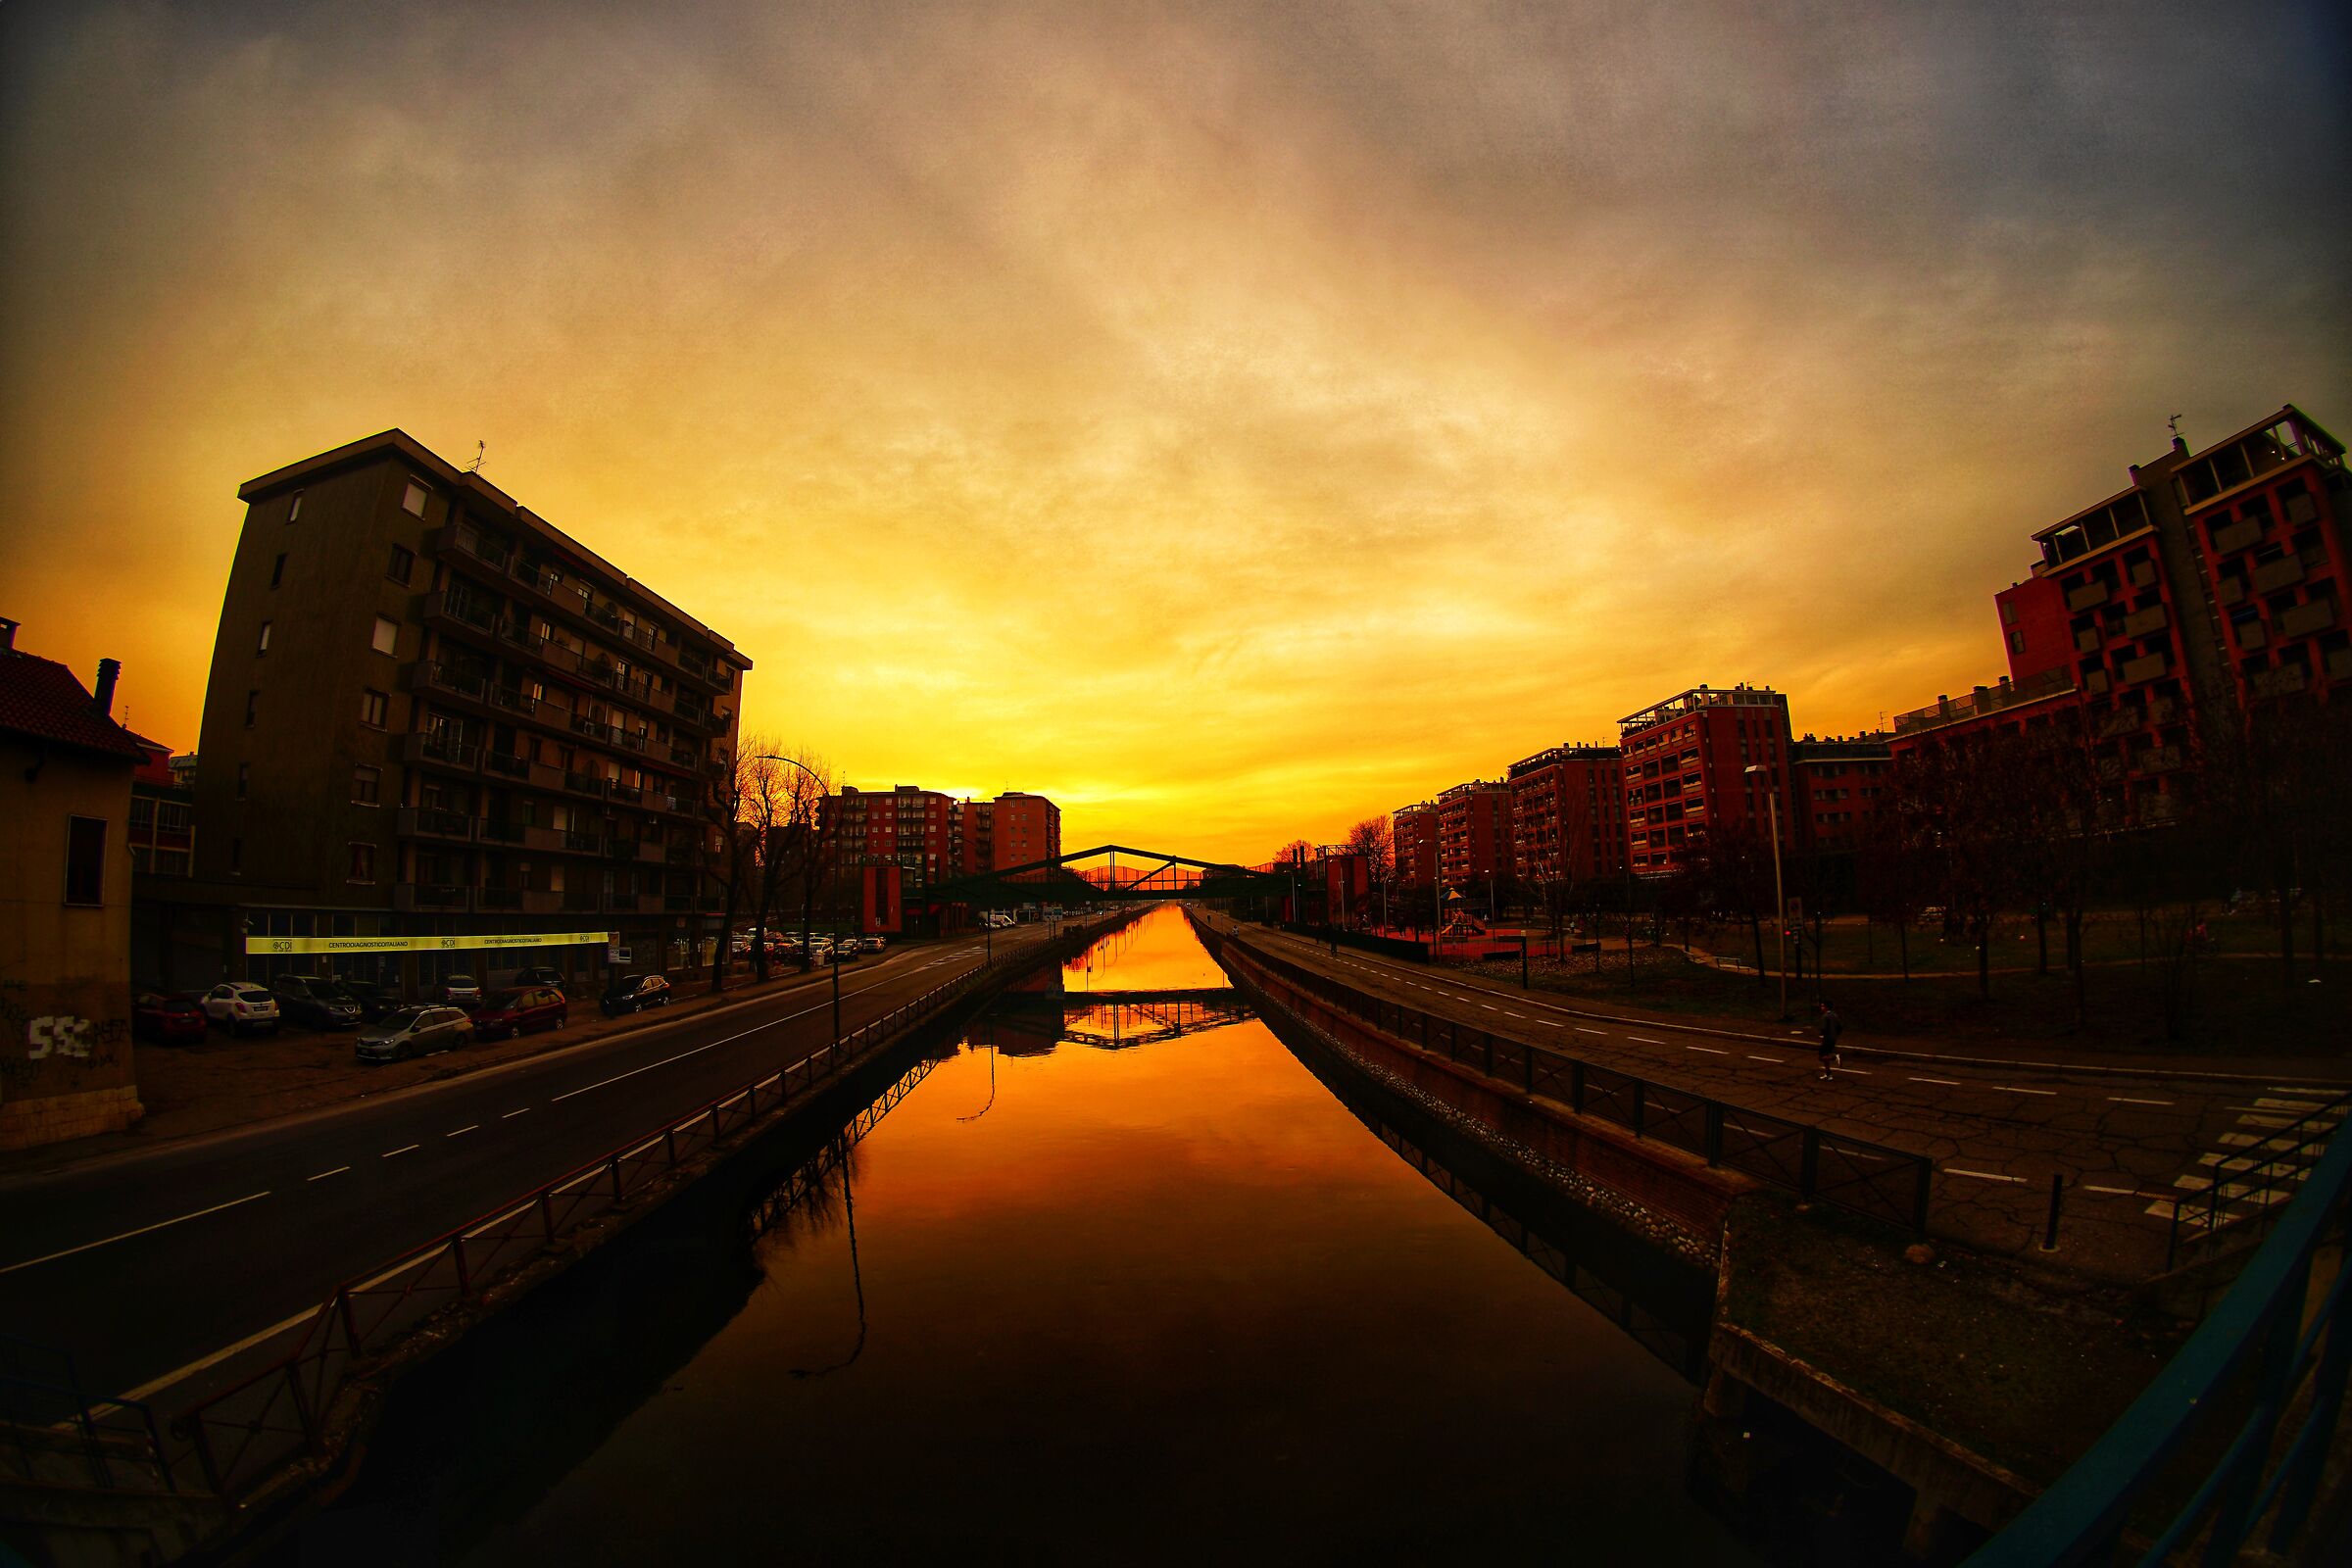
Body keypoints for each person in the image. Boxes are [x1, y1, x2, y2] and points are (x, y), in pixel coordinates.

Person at [1815, 999, 1842, 1082]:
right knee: (1825, 1055)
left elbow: (1823, 1028)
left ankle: (1835, 1057)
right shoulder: (1835, 1015)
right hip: (1833, 1038)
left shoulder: (1825, 1016)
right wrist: (1836, 1034)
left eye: (1823, 1006)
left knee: (1821, 1057)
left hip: (1827, 1039)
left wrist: (1821, 1034)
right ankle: (1828, 1074)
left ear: (1826, 1007)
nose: (1821, 1007)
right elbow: (1840, 1027)